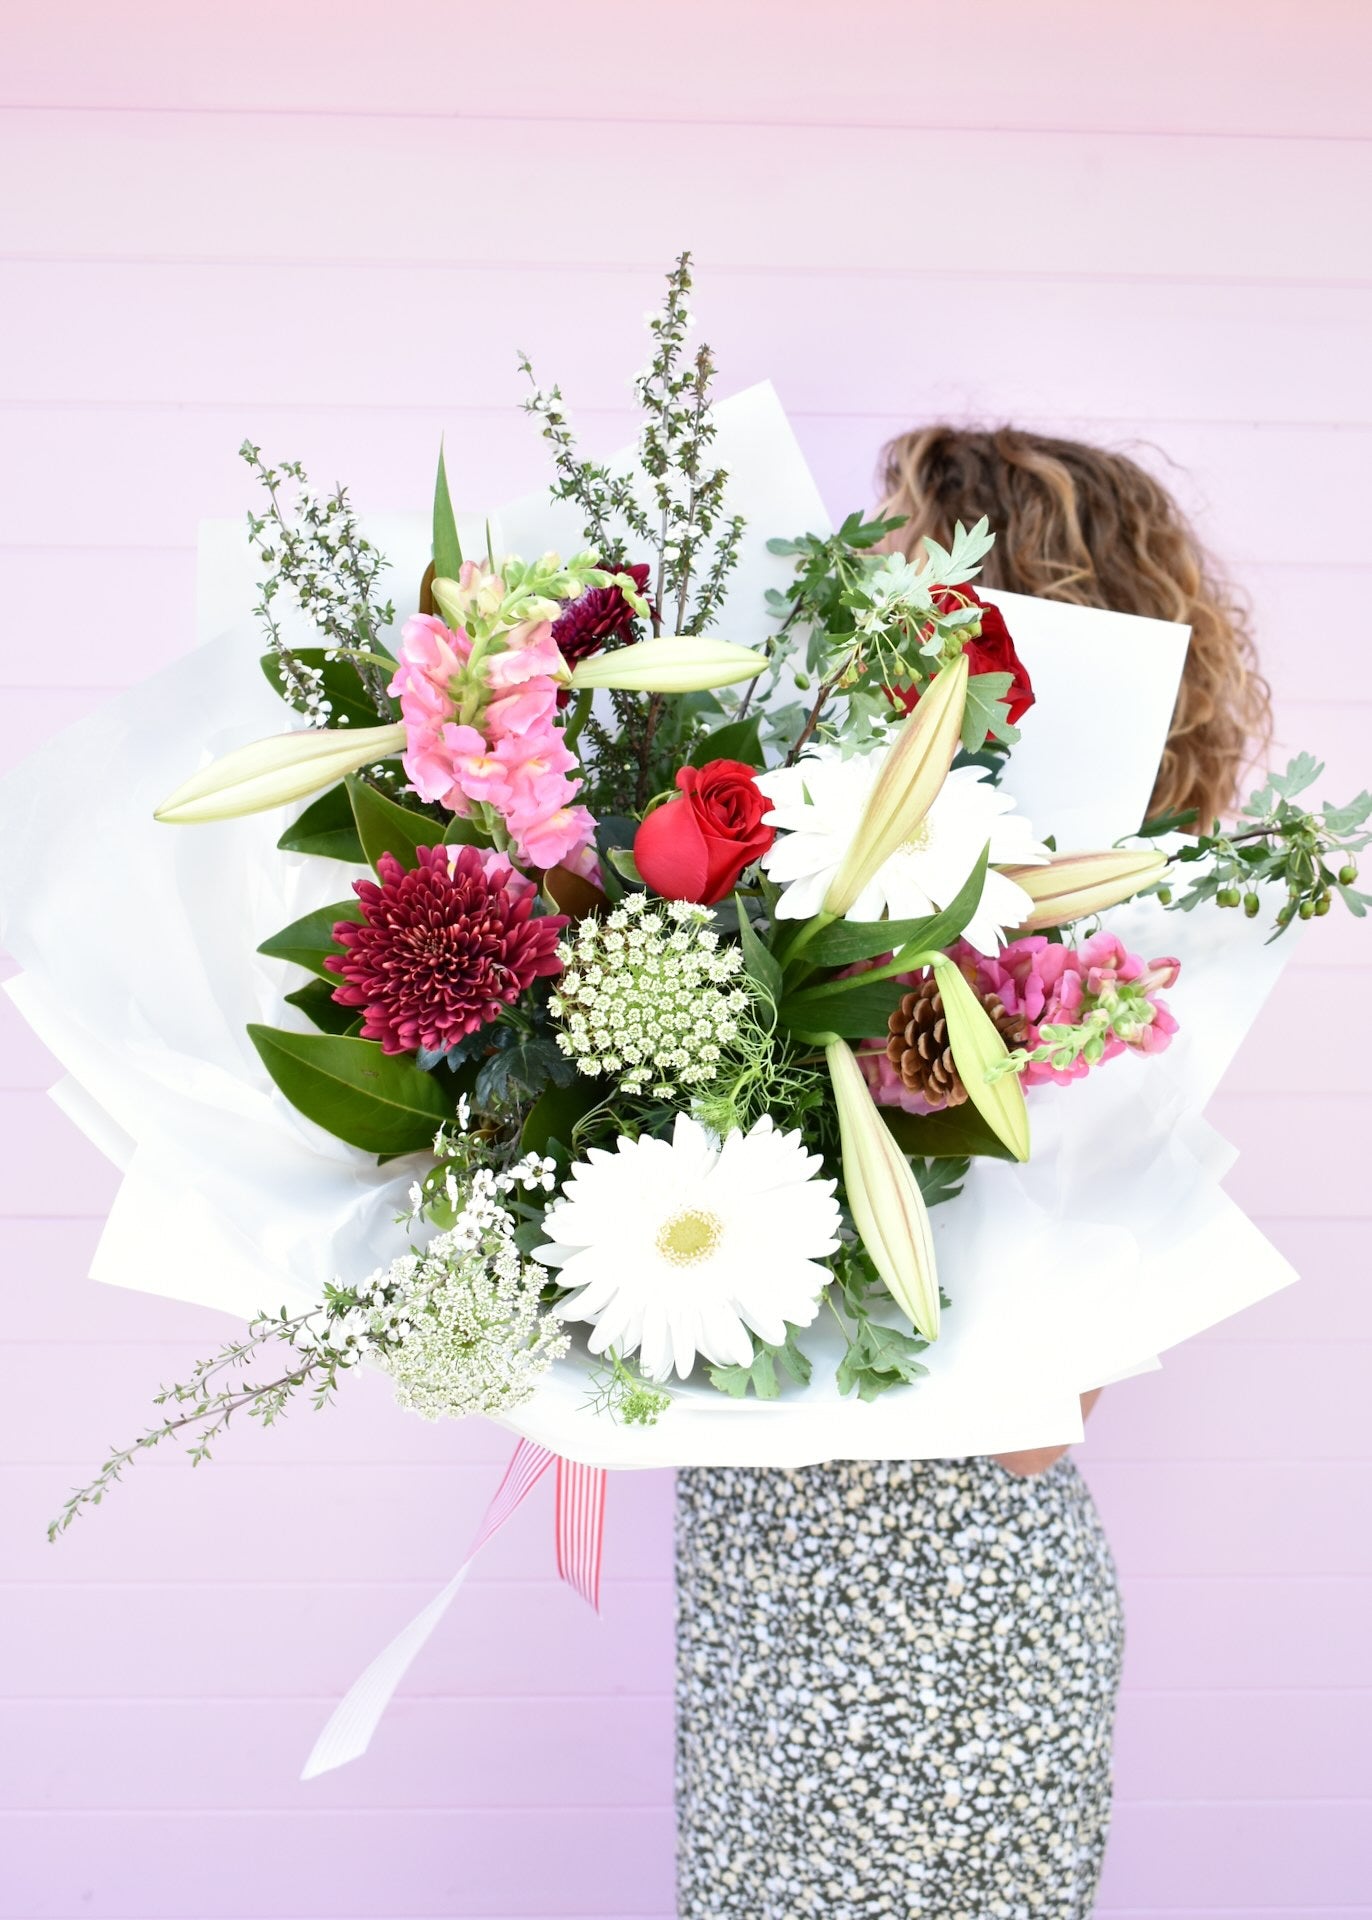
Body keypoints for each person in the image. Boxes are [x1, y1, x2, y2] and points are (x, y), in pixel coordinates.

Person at [674, 425, 1271, 1920]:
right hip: (755, 1591)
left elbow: (1026, 1425)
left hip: (939, 1630)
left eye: (898, 557)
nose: (849, 598)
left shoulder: (1097, 962)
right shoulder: (812, 909)